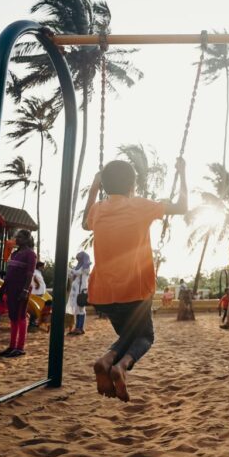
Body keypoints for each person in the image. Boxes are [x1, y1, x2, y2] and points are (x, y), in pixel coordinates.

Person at [83, 157, 188, 402]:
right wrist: (183, 172)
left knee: (129, 336)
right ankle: (119, 366)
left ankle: (108, 360)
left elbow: (84, 224)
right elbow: (182, 207)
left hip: (103, 294)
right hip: (134, 291)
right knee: (145, 337)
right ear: (133, 187)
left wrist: (94, 188)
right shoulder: (140, 206)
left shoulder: (98, 210)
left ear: (105, 185)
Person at [0, 229, 37, 357]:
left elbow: (30, 273)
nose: (17, 239)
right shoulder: (14, 254)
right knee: (13, 316)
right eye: (16, 237)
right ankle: (12, 346)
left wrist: (25, 290)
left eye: (19, 237)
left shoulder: (30, 254)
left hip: (21, 289)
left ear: (26, 239)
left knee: (21, 316)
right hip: (11, 289)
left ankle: (20, 347)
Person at [67, 252, 91, 335]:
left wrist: (69, 269)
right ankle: (78, 327)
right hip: (76, 291)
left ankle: (80, 328)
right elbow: (73, 274)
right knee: (77, 310)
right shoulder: (79, 267)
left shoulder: (85, 268)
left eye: (79, 258)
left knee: (81, 310)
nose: (78, 260)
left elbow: (77, 273)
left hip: (81, 291)